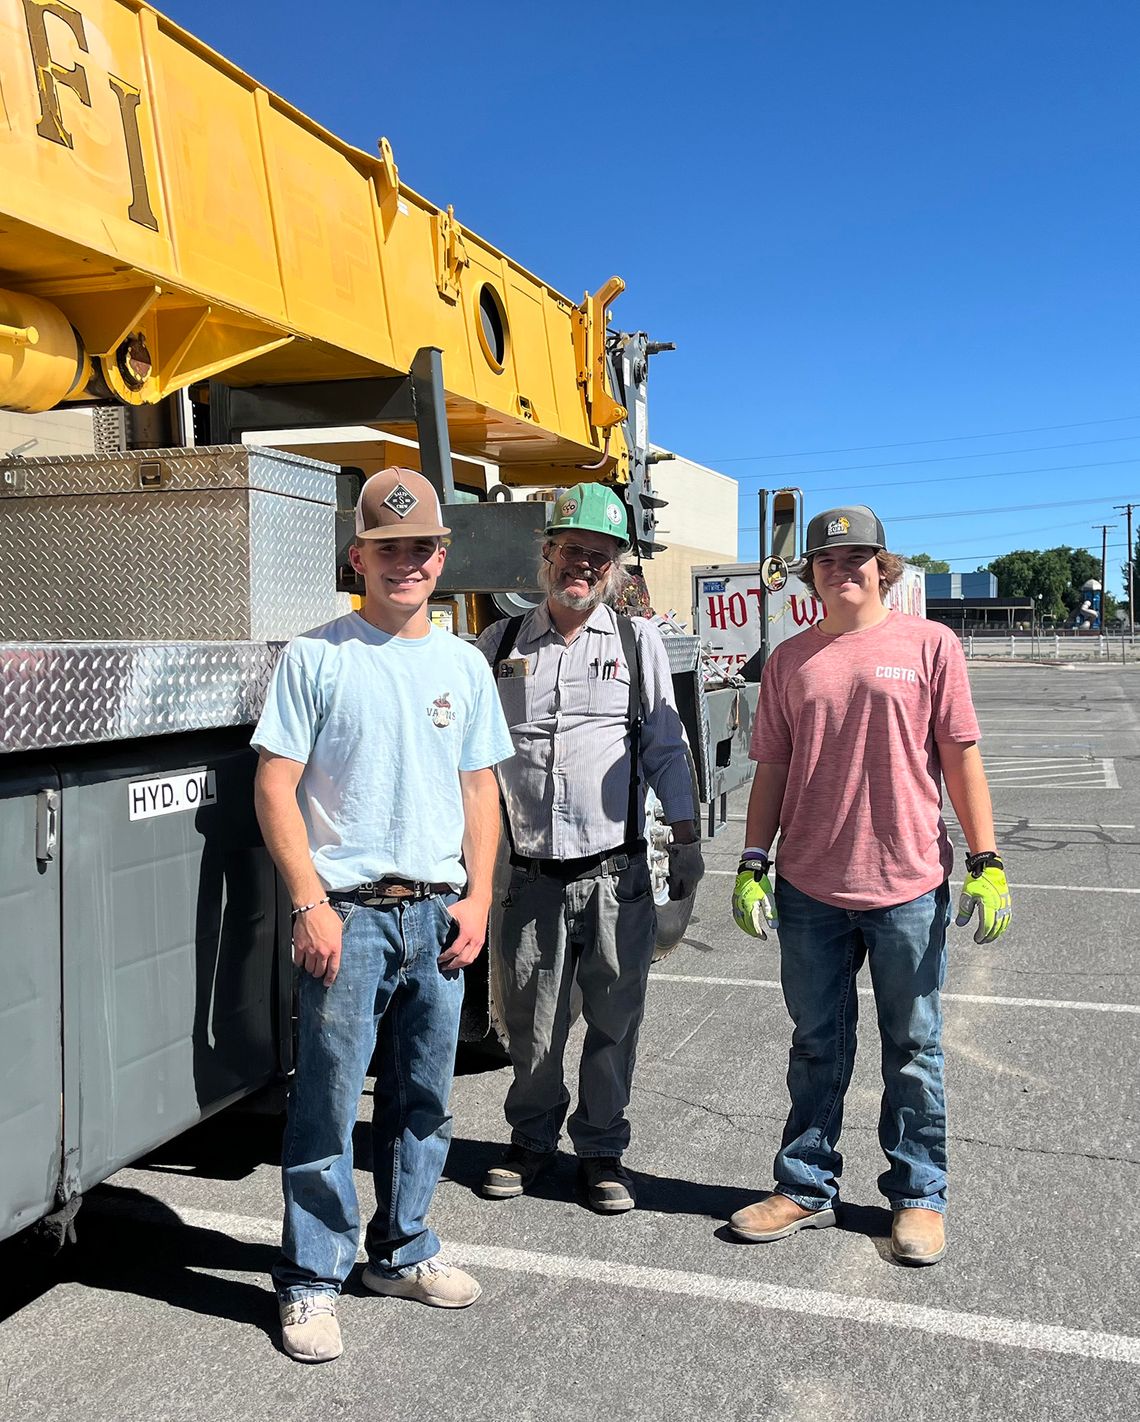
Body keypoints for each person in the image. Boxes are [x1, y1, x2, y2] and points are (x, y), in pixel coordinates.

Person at [252, 467, 513, 1362]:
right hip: (349, 920)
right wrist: (309, 903)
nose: (404, 562)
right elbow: (275, 787)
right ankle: (312, 1279)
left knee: (425, 1101)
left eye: (421, 548)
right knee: (326, 1105)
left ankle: (401, 1251)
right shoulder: (316, 656)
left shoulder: (463, 664)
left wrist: (478, 896)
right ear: (356, 555)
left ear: (442, 558)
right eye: (386, 547)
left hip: (437, 917)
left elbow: (480, 788)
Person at [729, 505, 1011, 1266]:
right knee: (817, 1044)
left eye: (856, 557)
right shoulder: (789, 660)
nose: (840, 569)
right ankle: (805, 1185)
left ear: (883, 566)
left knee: (912, 1048)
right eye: (825, 560)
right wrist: (753, 858)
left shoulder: (929, 645)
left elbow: (960, 758)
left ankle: (918, 1196)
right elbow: (774, 771)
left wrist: (987, 862)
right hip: (809, 886)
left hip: (908, 885)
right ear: (809, 574)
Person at [475, 483, 704, 1213]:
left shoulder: (637, 645)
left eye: (599, 557)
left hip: (617, 876)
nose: (584, 566)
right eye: (572, 551)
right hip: (531, 877)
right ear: (548, 555)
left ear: (615, 570)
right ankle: (531, 1140)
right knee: (532, 1023)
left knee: (615, 1020)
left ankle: (602, 1152)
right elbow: (472, 761)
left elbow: (667, 748)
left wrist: (689, 837)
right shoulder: (499, 647)